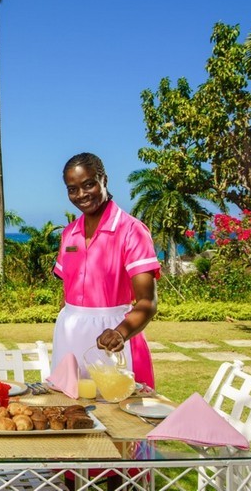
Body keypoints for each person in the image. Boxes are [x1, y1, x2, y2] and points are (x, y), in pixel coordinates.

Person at [52, 153, 160, 388]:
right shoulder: (69, 234)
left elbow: (147, 302)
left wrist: (120, 333)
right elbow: (67, 293)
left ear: (104, 179)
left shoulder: (132, 231)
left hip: (112, 335)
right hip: (69, 336)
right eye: (72, 189)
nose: (81, 195)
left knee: (120, 414)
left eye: (88, 184)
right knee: (69, 410)